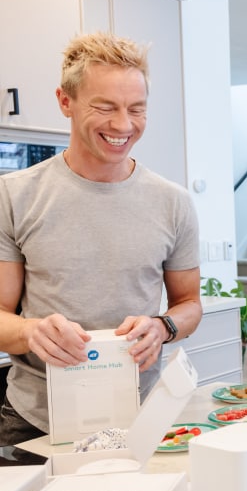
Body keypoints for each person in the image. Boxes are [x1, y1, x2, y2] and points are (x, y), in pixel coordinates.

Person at [0, 32, 202, 445]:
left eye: (136, 109)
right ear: (65, 102)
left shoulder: (174, 203)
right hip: (34, 421)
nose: (123, 125)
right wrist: (31, 332)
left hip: (141, 416)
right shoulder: (13, 196)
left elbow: (189, 305)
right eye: (105, 107)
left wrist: (163, 326)